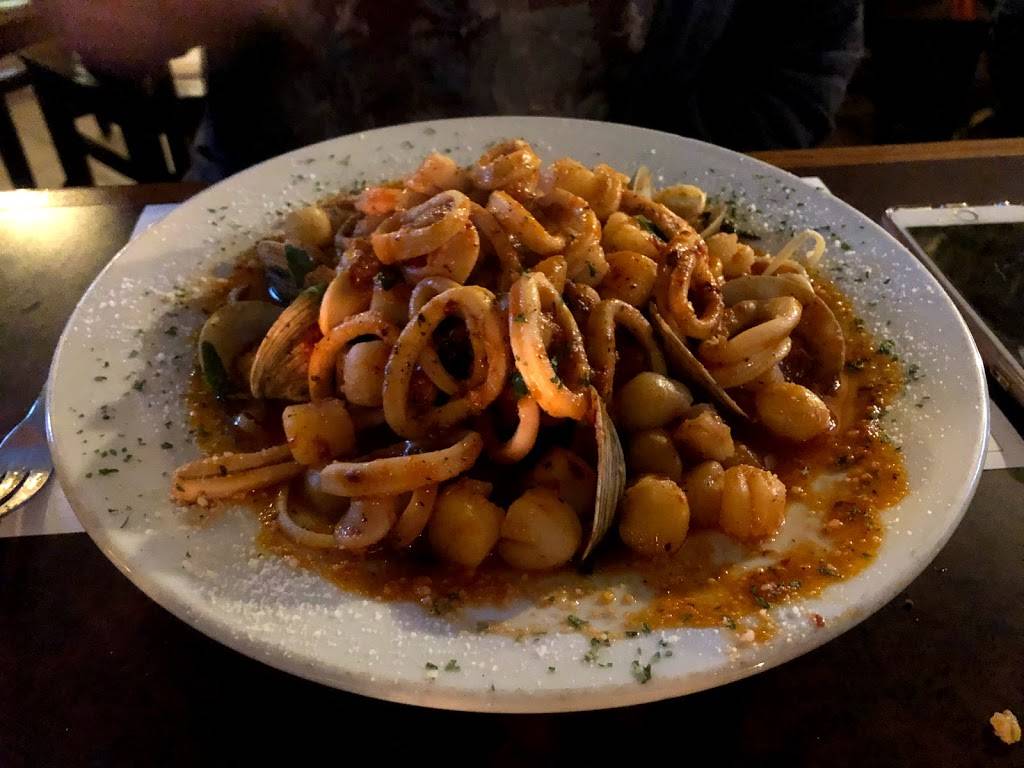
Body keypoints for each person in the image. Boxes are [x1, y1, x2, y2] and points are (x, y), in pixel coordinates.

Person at [41, 1, 864, 181]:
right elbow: (107, 28)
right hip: (268, 224)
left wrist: (670, 196)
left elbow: (805, 60)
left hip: (646, 222)